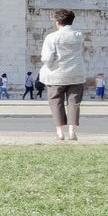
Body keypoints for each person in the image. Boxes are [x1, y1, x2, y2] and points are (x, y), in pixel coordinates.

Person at [39, 8, 86, 141]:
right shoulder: (78, 35)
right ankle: (72, 132)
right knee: (74, 102)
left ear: (57, 21)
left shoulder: (52, 37)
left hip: (56, 75)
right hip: (76, 74)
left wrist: (47, 64)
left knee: (56, 102)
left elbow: (47, 58)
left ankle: (60, 133)